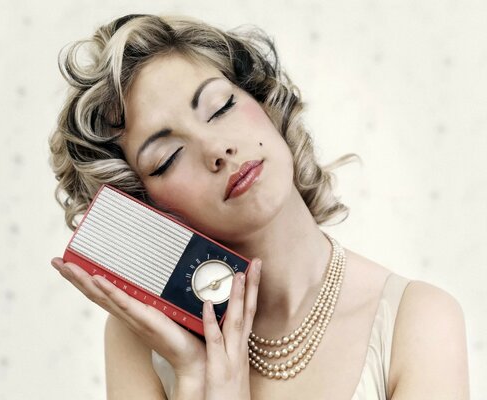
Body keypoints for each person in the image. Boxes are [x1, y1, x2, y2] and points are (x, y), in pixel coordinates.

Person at [48, 14, 469, 400]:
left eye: (221, 107)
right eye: (168, 157)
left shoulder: (418, 323)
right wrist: (195, 374)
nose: (218, 148)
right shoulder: (140, 342)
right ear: (146, 208)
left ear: (264, 103)